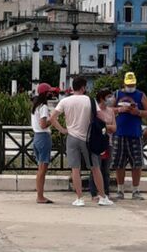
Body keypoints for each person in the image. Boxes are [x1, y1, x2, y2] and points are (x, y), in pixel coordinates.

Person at [50, 77, 114, 207]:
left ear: (73, 87)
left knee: (75, 168)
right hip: (88, 138)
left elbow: (53, 118)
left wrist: (62, 130)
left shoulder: (65, 101)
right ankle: (102, 196)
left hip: (72, 137)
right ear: (83, 87)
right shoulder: (90, 101)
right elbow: (102, 117)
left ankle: (79, 198)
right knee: (95, 167)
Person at [112, 72, 147, 200]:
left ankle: (136, 190)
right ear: (124, 84)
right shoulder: (117, 94)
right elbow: (108, 109)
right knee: (119, 163)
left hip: (135, 133)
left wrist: (137, 112)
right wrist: (119, 110)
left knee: (136, 164)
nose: (130, 86)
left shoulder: (141, 95)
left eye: (132, 84)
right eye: (128, 84)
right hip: (120, 133)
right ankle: (120, 190)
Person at [89, 88, 117, 201]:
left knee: (106, 169)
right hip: (96, 143)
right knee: (96, 168)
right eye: (108, 96)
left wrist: (105, 127)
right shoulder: (95, 111)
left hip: (108, 143)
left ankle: (106, 192)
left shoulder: (110, 111)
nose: (111, 99)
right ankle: (94, 193)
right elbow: (96, 127)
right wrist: (106, 127)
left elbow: (114, 128)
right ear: (101, 98)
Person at [31, 83, 54, 204]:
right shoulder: (44, 107)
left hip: (36, 137)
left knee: (40, 168)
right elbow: (43, 124)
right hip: (43, 137)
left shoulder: (36, 106)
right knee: (43, 169)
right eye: (50, 92)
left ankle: (40, 194)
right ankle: (40, 196)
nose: (52, 94)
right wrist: (53, 118)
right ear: (46, 93)